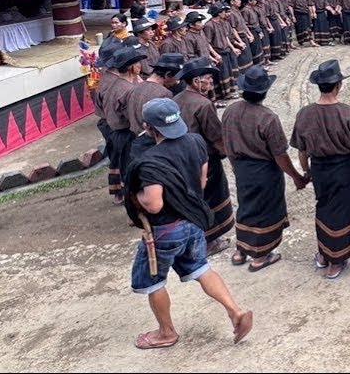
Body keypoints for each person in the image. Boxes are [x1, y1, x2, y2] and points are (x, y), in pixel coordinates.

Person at [124, 98, 254, 349]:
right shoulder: (196, 142)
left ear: (148, 127)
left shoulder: (150, 162)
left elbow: (154, 204)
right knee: (200, 268)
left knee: (153, 281)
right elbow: (201, 182)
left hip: (164, 231)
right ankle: (235, 312)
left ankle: (166, 332)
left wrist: (135, 195)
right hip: (193, 224)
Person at [221, 66, 308, 272]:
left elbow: (227, 142)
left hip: (241, 167)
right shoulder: (267, 118)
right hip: (264, 171)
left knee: (246, 206)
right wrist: (296, 177)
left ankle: (241, 249)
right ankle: (261, 255)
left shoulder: (230, 111)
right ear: (265, 92)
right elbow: (280, 154)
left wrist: (235, 167)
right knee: (265, 211)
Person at [292, 60, 350, 280]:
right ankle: (337, 259)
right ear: (338, 86)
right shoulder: (349, 114)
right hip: (342, 167)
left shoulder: (305, 114)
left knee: (323, 207)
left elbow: (302, 151)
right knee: (342, 210)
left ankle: (324, 252)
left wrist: (306, 172)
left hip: (319, 168)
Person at [173, 57, 234, 255]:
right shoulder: (203, 105)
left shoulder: (177, 99)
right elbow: (215, 136)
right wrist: (229, 154)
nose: (211, 81)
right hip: (204, 160)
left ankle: (196, 237)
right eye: (207, 77)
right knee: (211, 198)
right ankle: (210, 241)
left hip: (181, 158)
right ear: (196, 81)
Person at [98, 46, 146, 204]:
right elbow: (134, 118)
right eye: (138, 63)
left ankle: (123, 198)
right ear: (131, 67)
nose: (140, 66)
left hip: (114, 133)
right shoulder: (128, 90)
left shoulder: (112, 84)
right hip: (127, 134)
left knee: (119, 165)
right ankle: (134, 207)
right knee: (129, 170)